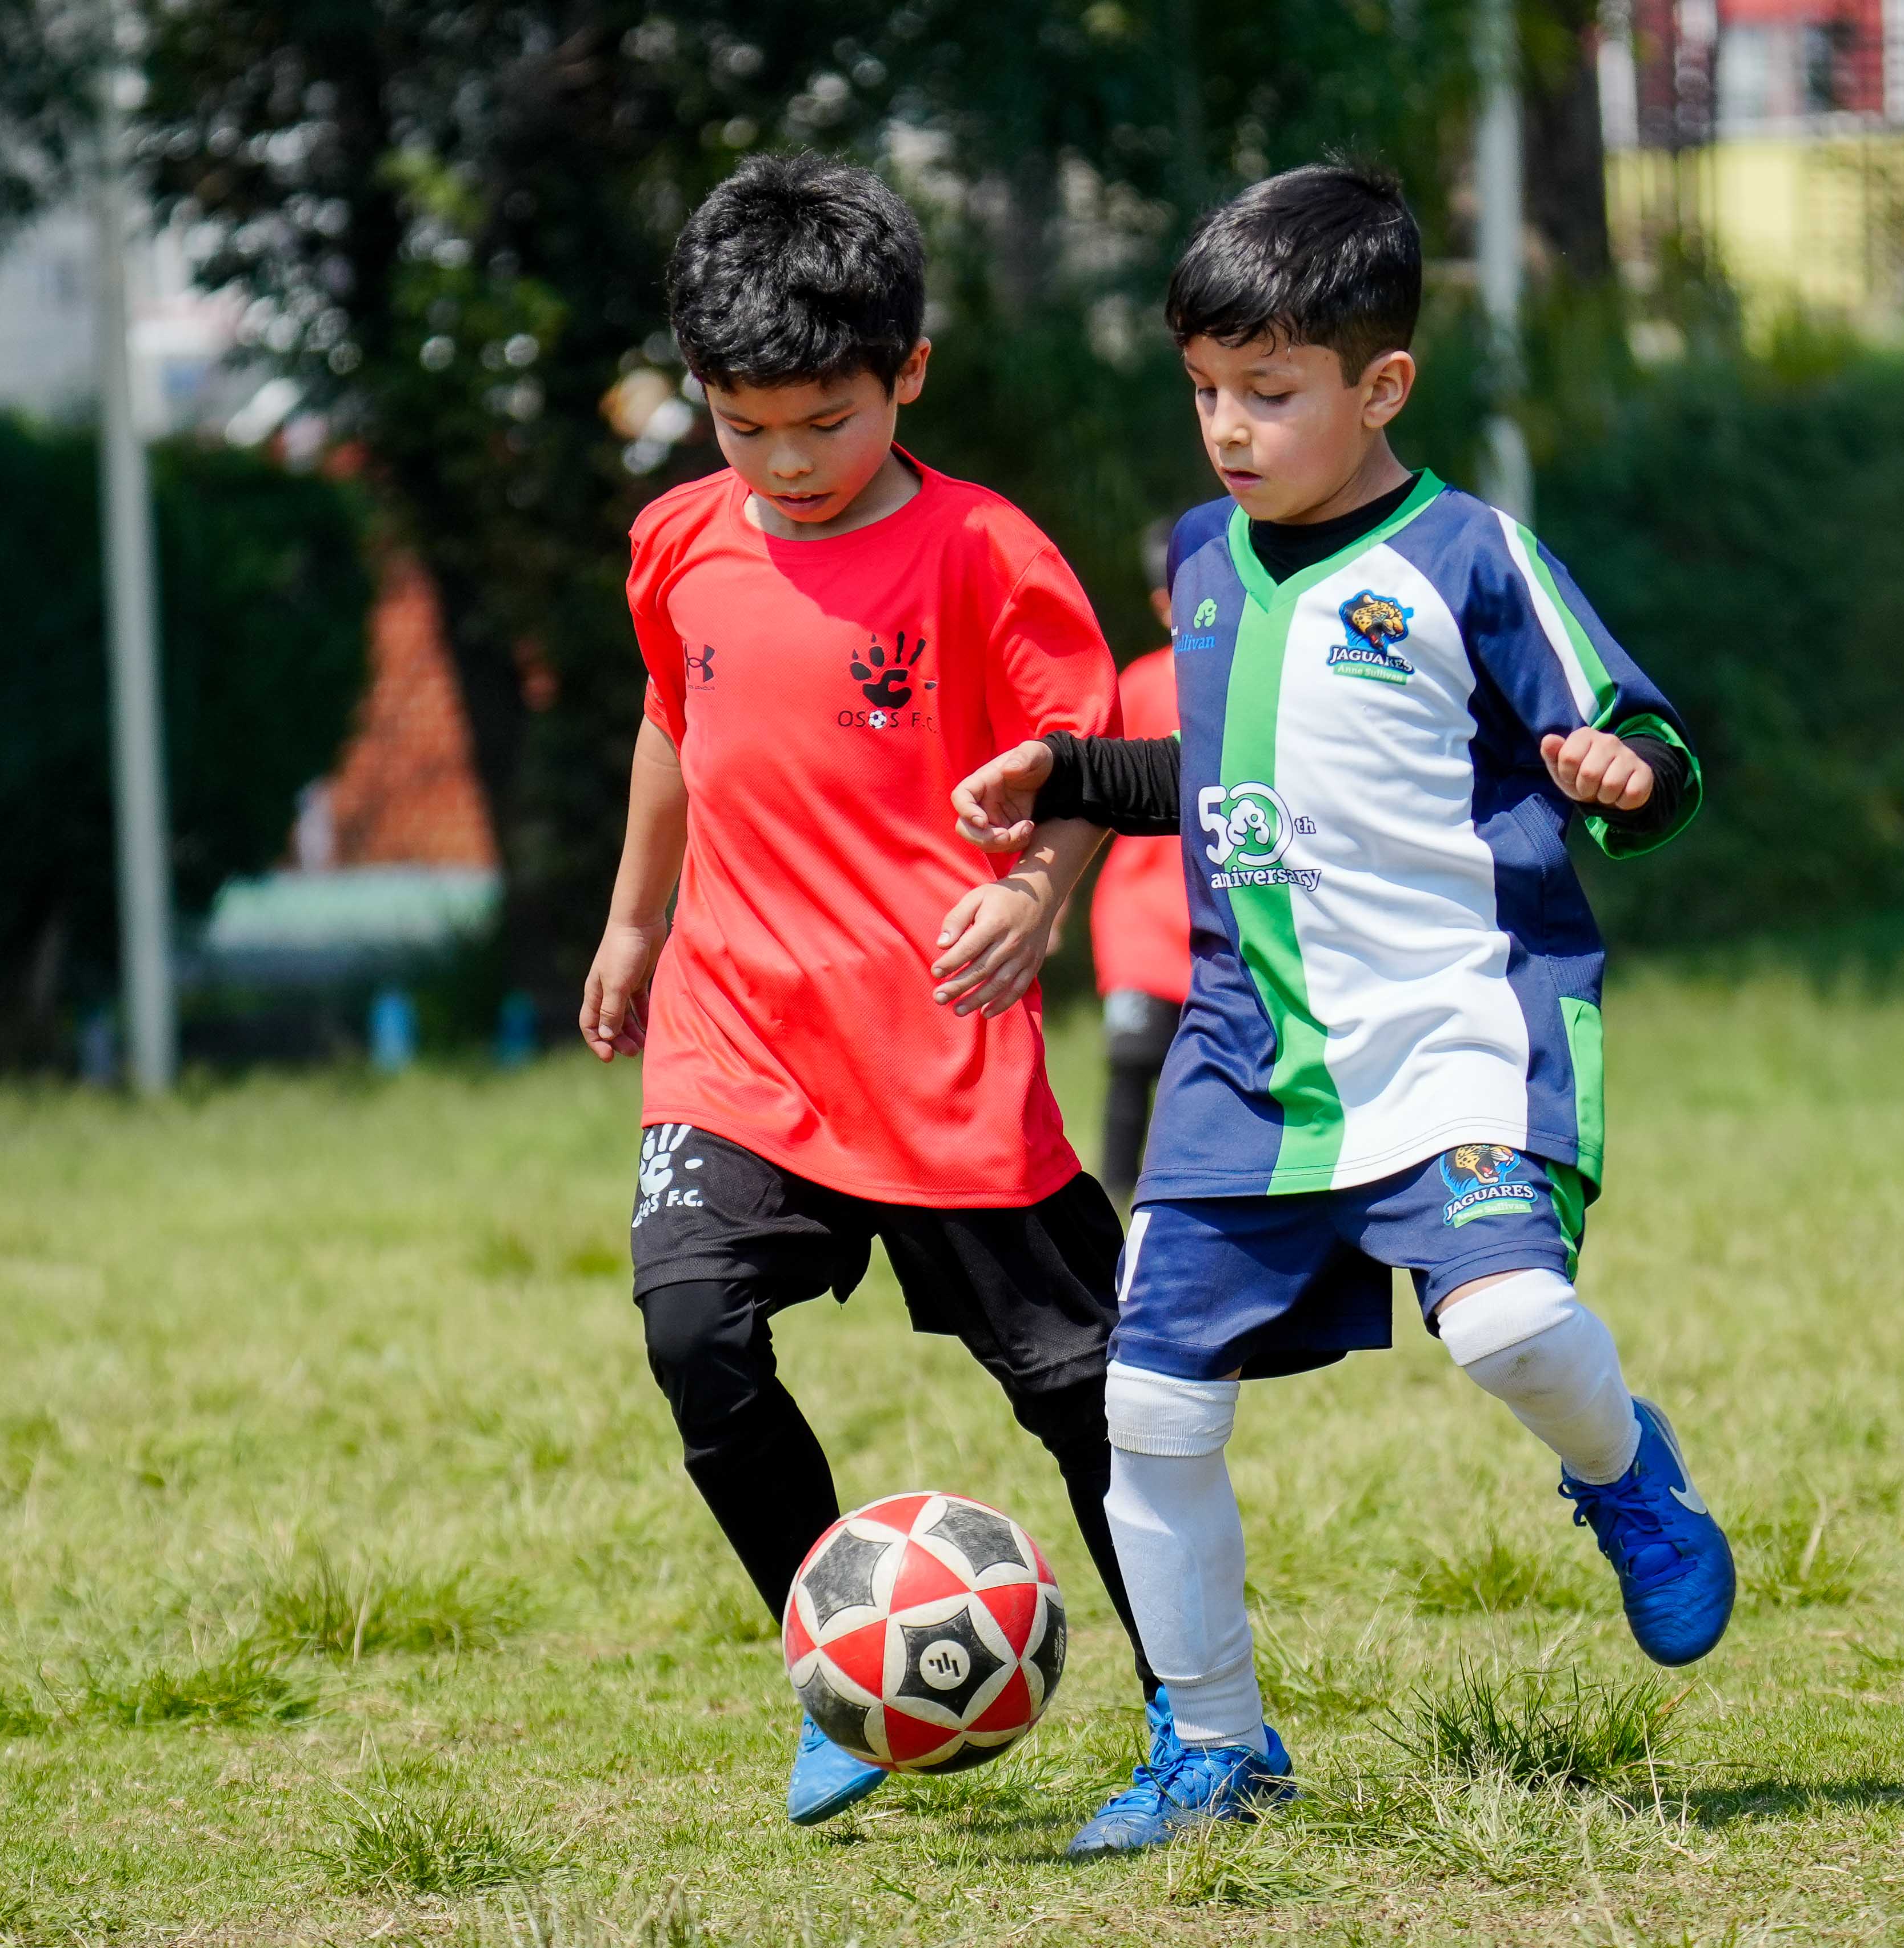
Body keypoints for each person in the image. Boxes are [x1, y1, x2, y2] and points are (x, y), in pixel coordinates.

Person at [950, 163, 1733, 1860]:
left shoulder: (1470, 555)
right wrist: (1071, 772)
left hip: (1459, 1025)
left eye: (1269, 394)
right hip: (1249, 1054)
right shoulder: (1201, 559)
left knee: (1512, 1325)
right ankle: (1218, 1740)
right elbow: (1238, 765)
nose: (1226, 428)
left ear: (1381, 387)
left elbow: (1646, 750)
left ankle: (1628, 1479)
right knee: (1144, 1407)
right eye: (1205, 392)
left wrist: (1626, 772)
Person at [578, 152, 1158, 1830]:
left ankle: (1204, 1716)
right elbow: (673, 723)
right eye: (742, 424)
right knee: (694, 1327)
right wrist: (635, 921)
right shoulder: (677, 539)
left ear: (907, 372)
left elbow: (1078, 772)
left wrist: (1035, 896)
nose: (780, 461)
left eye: (820, 422)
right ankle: (834, 1665)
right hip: (736, 1031)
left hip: (939, 1050)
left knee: (1091, 1394)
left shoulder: (987, 552)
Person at [1086, 521, 1191, 1199]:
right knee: (1133, 1059)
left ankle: (1185, 1194)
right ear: (1164, 606)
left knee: (1208, 1074)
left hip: (1225, 911)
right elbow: (1089, 792)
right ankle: (1118, 1198)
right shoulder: (1142, 682)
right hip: (1139, 915)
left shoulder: (1262, 676)